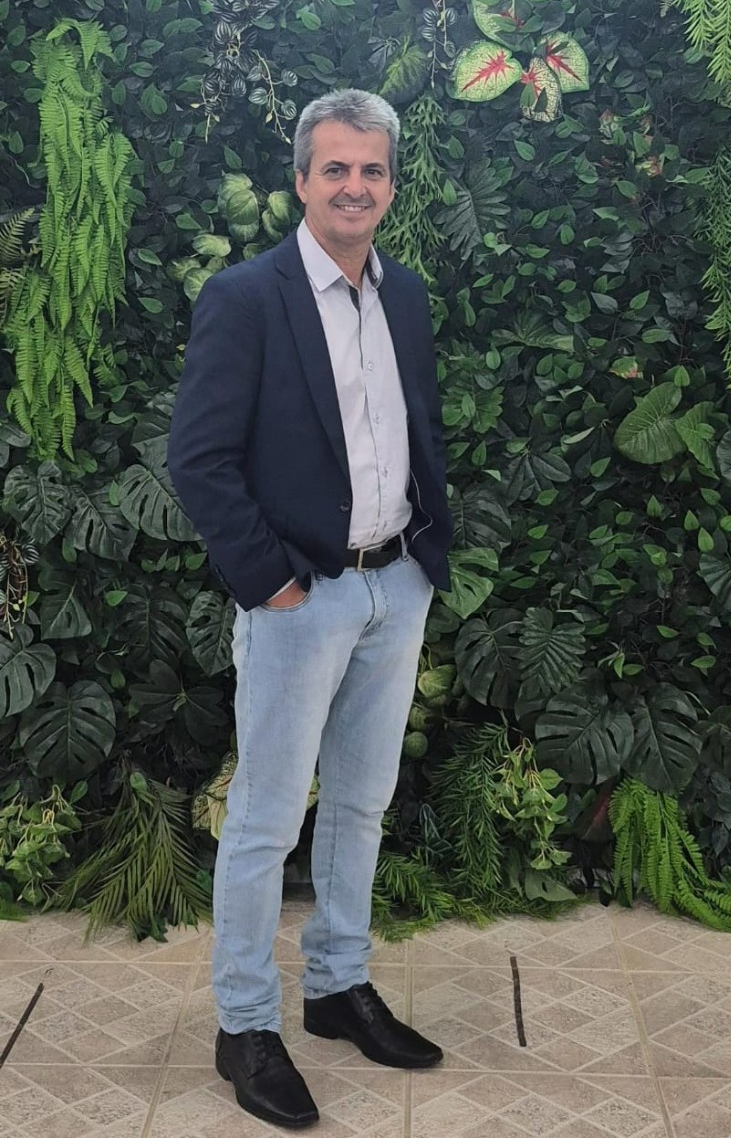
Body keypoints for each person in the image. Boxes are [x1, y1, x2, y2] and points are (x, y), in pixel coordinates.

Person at [167, 88, 453, 1130]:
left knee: (362, 802)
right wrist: (270, 579)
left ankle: (336, 986)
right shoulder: (248, 297)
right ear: (300, 180)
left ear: (391, 185)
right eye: (335, 168)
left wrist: (425, 553)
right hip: (301, 597)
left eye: (372, 170)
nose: (354, 186)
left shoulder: (403, 294)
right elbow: (197, 457)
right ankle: (245, 1024)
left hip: (396, 583)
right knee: (265, 818)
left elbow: (413, 427)